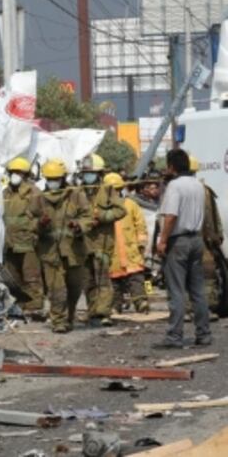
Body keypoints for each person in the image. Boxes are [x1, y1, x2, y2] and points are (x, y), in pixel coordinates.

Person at [154, 148, 211, 349]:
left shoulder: (175, 186)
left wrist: (162, 241)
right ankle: (203, 333)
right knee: (197, 290)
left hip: (178, 241)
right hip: (196, 240)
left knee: (176, 290)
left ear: (172, 166)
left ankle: (174, 336)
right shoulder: (198, 185)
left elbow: (170, 216)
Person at [37, 159, 94, 333]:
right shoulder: (38, 198)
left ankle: (69, 316)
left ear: (63, 178)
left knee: (75, 287)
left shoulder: (76, 195)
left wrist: (79, 225)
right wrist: (40, 223)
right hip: (50, 252)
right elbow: (28, 220)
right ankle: (58, 320)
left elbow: (89, 216)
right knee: (56, 288)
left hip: (74, 251)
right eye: (49, 178)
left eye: (56, 178)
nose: (53, 182)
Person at [78, 154, 126, 327]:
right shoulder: (78, 192)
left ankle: (104, 312)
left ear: (99, 174)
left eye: (91, 173)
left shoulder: (108, 191)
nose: (87, 176)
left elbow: (121, 211)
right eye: (85, 173)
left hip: (102, 242)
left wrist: (103, 216)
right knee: (88, 279)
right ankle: (92, 311)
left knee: (103, 278)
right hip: (84, 243)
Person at [2, 157, 47, 318]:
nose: (15, 175)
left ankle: (34, 306)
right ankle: (17, 305)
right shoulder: (5, 192)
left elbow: (43, 218)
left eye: (18, 172)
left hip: (28, 241)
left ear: (25, 175)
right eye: (12, 172)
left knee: (31, 276)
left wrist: (33, 229)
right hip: (10, 242)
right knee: (13, 277)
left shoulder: (34, 193)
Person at [107, 173, 149, 313]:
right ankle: (115, 305)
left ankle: (141, 302)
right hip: (113, 255)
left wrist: (141, 244)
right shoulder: (102, 209)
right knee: (114, 283)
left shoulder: (131, 205)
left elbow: (140, 225)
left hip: (131, 252)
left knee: (136, 279)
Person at [191, 155, 224, 319]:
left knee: (186, 275)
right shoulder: (205, 190)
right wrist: (218, 237)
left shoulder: (175, 189)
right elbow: (215, 219)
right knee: (207, 276)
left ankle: (188, 310)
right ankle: (207, 309)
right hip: (204, 241)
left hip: (186, 240)